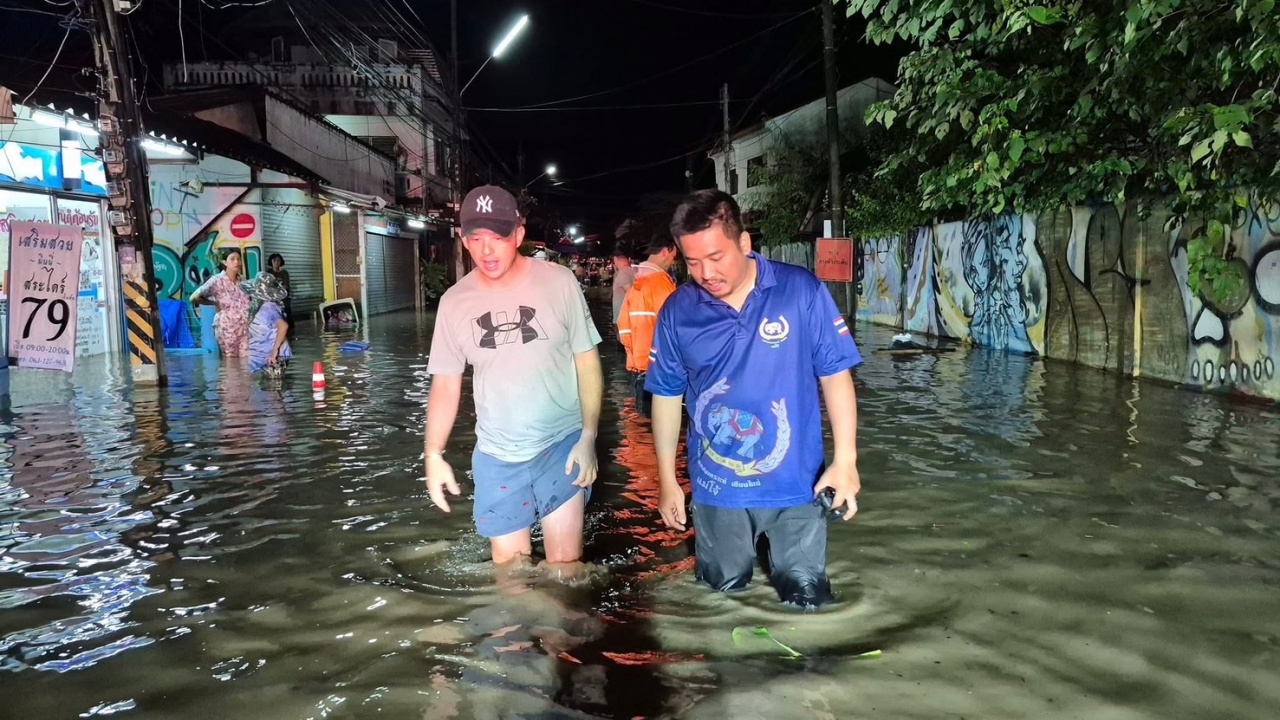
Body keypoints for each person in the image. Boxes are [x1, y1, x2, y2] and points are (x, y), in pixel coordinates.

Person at [646, 189, 864, 608]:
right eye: (692, 262)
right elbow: (668, 397)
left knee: (808, 599)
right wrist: (667, 481)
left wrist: (846, 461)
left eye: (716, 257)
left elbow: (835, 375)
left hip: (798, 484)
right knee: (721, 599)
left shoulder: (799, 292)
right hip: (716, 488)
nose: (706, 273)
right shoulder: (677, 310)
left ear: (744, 243)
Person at [424, 185, 604, 566]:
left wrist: (588, 437)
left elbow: (587, 361)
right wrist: (433, 453)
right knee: (510, 579)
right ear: (463, 239)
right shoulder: (454, 303)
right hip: (497, 454)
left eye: (498, 237)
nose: (487, 250)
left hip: (561, 443)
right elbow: (445, 383)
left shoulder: (560, 282)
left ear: (518, 235)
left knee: (565, 571)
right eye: (476, 238)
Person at [616, 234, 679, 417]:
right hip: (658, 370)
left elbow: (622, 327)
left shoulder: (637, 283)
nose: (672, 264)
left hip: (636, 368)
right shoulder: (661, 284)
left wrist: (634, 354)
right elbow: (675, 328)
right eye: (673, 257)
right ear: (666, 252)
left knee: (639, 425)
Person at [190, 248, 251, 356]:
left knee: (246, 360)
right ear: (224, 262)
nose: (236, 262)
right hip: (227, 329)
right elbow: (194, 297)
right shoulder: (217, 280)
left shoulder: (243, 281)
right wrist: (213, 303)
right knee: (231, 362)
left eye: (238, 259)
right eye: (232, 259)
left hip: (245, 328)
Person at [240, 272, 292, 377]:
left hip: (272, 356)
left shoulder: (268, 307)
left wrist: (275, 350)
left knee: (272, 388)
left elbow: (283, 326)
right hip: (263, 353)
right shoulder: (261, 306)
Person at [610, 248, 637, 338]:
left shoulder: (623, 273)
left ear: (615, 259)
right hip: (631, 316)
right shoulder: (634, 271)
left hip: (622, 317)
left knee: (623, 344)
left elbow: (630, 294)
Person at [265, 253, 293, 331]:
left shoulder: (285, 273)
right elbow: (267, 287)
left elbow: (286, 286)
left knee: (288, 322)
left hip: (285, 301)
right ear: (271, 262)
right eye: (274, 260)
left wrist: (276, 289)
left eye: (278, 260)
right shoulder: (268, 273)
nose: (276, 262)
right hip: (273, 302)